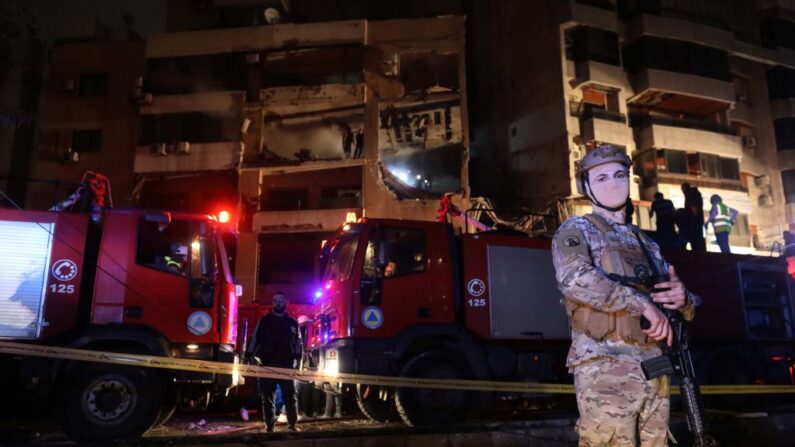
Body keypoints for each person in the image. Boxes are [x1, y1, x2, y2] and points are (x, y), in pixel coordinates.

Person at [551, 145, 696, 446]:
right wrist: (640, 303)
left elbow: (674, 299)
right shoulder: (577, 229)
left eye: (620, 175)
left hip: (654, 366)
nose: (614, 183)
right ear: (585, 186)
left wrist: (685, 299)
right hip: (605, 368)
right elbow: (575, 279)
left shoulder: (644, 242)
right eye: (601, 178)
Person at [247, 293, 303, 433]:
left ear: (286, 303)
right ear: (273, 304)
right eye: (275, 301)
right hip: (266, 365)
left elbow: (298, 343)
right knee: (267, 398)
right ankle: (270, 427)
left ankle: (292, 426)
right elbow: (255, 339)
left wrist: (298, 360)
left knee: (290, 397)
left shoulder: (293, 323)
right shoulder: (264, 321)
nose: (278, 303)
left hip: (286, 365)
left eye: (281, 300)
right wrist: (249, 355)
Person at [681, 183, 706, 251]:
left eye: (682, 189)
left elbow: (692, 205)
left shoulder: (690, 193)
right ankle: (699, 250)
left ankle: (697, 251)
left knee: (694, 236)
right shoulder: (696, 193)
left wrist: (693, 212)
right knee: (698, 236)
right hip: (697, 219)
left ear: (685, 188)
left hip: (693, 219)